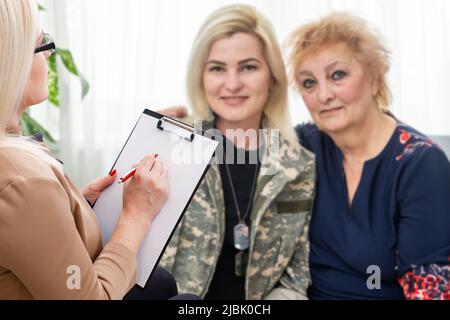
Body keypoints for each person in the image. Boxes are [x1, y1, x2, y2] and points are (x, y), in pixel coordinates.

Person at [0, 0, 186, 300]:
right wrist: (135, 216)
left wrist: (72, 205)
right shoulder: (21, 179)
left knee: (161, 284)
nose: (48, 52)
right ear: (10, 62)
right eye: (39, 44)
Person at [159, 4, 316, 300]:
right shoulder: (171, 143)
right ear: (201, 76)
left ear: (272, 76)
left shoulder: (299, 164)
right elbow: (126, 253)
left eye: (248, 67)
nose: (232, 84)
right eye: (217, 68)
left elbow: (296, 279)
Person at [289, 12, 450, 299]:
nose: (324, 94)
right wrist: (185, 125)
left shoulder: (420, 163)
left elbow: (430, 290)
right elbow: (234, 140)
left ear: (374, 80)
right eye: (309, 83)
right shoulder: (305, 145)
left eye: (338, 75)